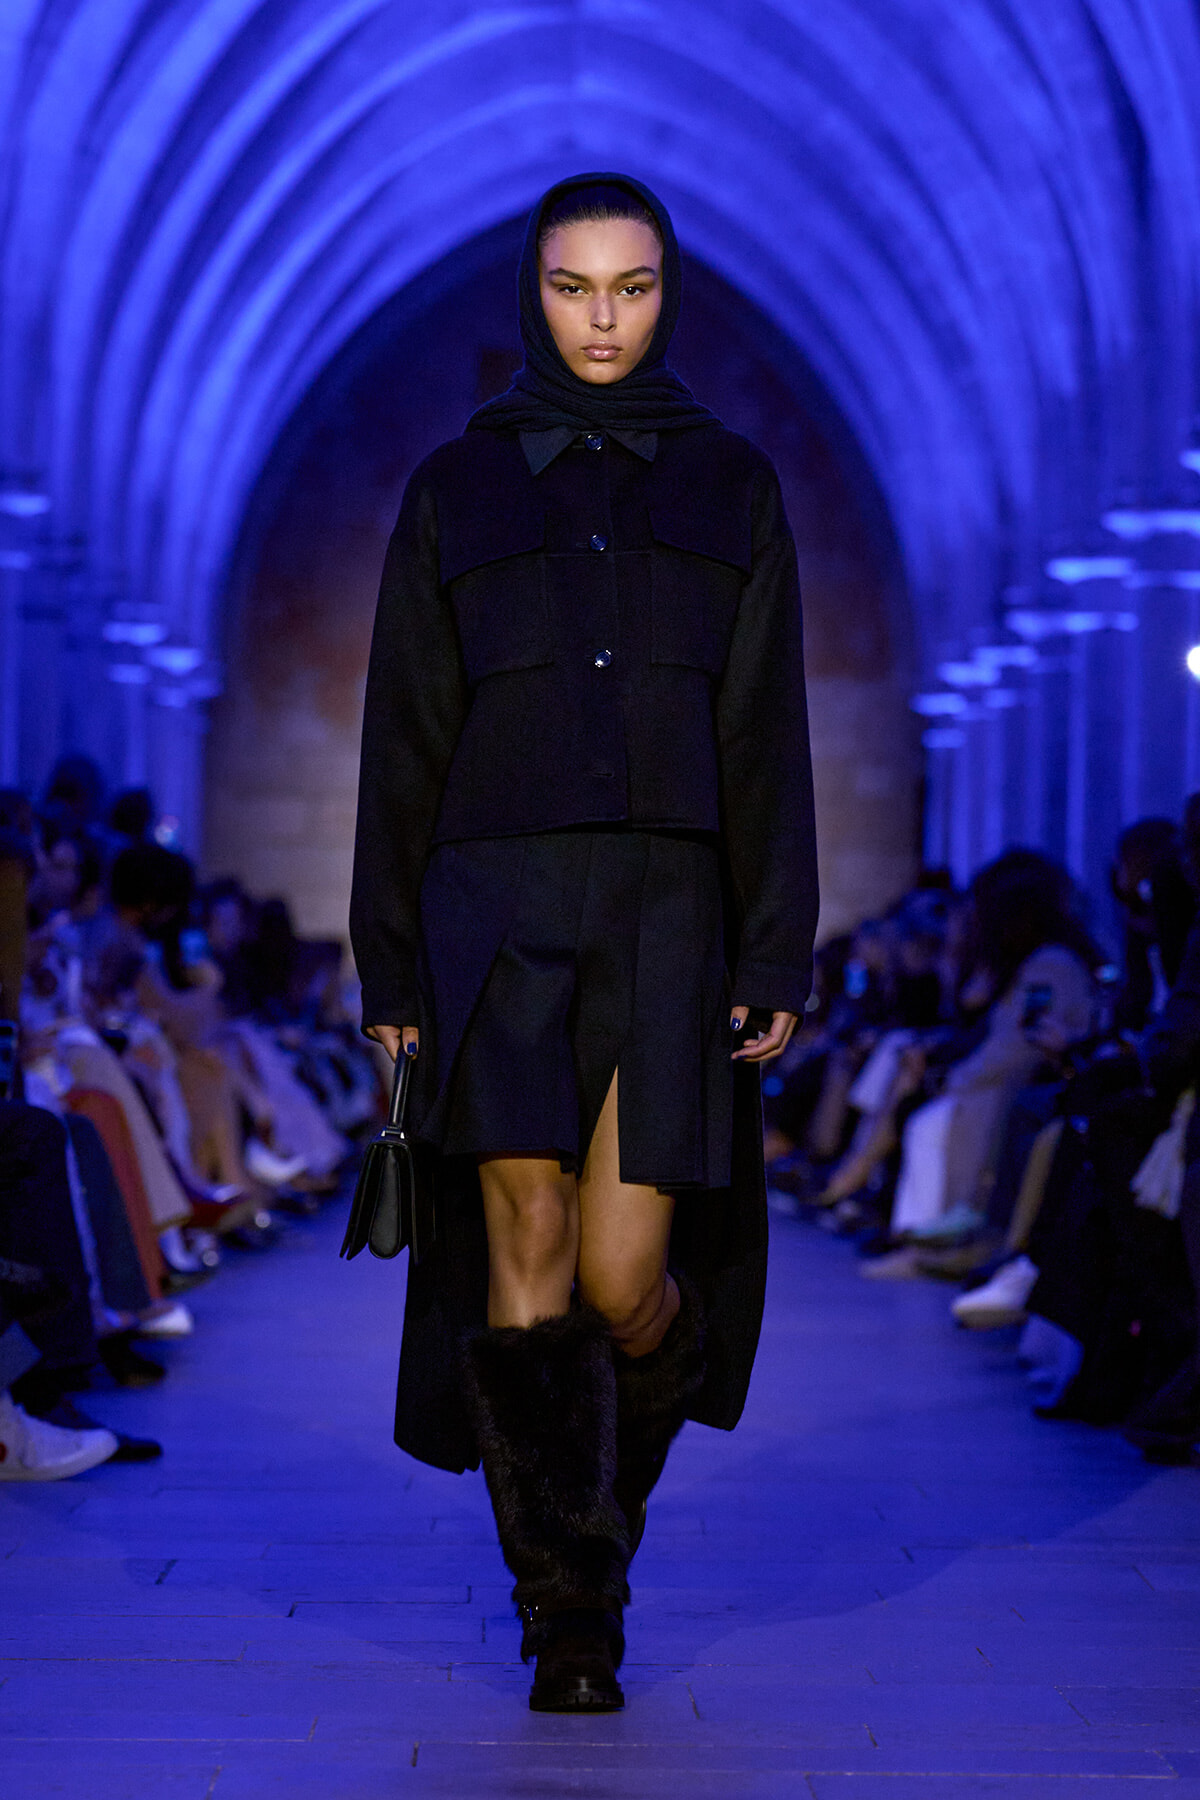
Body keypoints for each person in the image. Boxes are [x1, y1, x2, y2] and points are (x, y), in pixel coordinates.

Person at [350, 172, 817, 1711]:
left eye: (630, 287)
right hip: (493, 917)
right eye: (572, 288)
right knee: (529, 1254)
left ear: (667, 290)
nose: (603, 318)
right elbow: (403, 738)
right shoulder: (453, 491)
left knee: (626, 1279)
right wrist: (389, 968)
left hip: (671, 918)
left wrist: (778, 946)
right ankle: (569, 1612)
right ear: (532, 292)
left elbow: (764, 736)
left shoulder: (735, 488)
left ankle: (591, 1511)